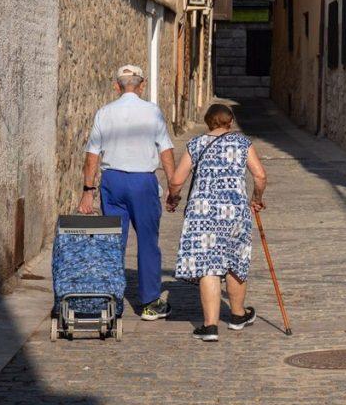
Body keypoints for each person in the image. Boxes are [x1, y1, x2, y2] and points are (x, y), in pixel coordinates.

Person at [79, 65, 176, 320]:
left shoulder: (104, 113)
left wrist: (88, 191)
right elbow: (165, 150)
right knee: (147, 242)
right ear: (142, 85)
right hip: (143, 182)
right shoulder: (153, 112)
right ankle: (149, 303)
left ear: (116, 86)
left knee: (113, 242)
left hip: (113, 181)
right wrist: (173, 187)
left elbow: (92, 156)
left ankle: (110, 302)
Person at [166, 103, 267, 341]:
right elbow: (260, 175)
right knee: (235, 259)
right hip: (234, 211)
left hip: (203, 212)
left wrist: (174, 198)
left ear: (208, 122)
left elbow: (176, 181)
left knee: (208, 264)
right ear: (230, 122)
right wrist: (256, 198)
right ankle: (238, 315)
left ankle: (210, 326)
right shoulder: (243, 143)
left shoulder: (196, 144)